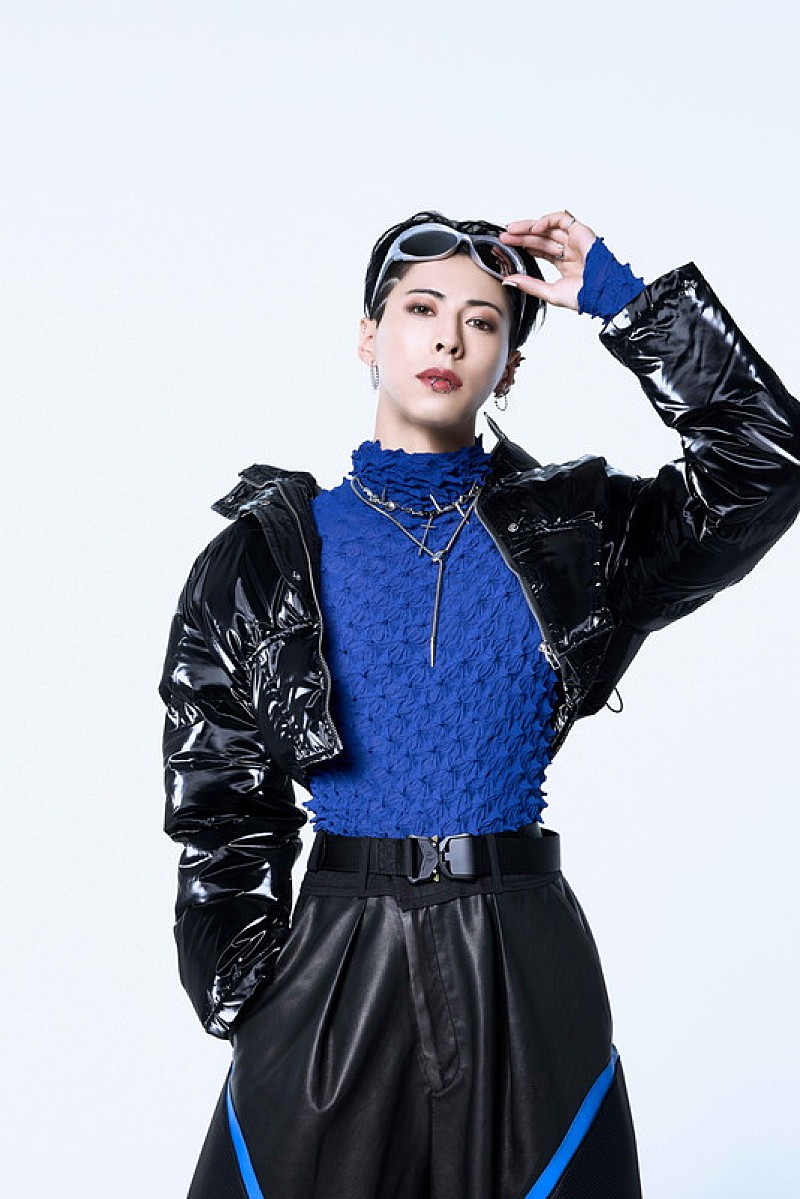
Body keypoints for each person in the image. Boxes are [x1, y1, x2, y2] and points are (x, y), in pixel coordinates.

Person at [158, 209, 800, 1199]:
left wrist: (624, 301)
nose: (449, 339)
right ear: (368, 336)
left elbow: (763, 465)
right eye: (421, 309)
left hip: (520, 952)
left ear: (509, 365)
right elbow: (218, 803)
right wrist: (249, 991)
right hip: (334, 954)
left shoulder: (578, 535)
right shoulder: (265, 556)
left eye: (483, 320)